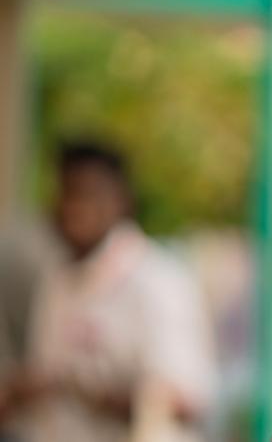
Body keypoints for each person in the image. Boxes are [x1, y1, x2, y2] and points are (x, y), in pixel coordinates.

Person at [0, 143, 216, 442]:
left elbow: (187, 402)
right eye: (68, 193)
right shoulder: (57, 279)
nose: (75, 207)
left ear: (121, 201)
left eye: (89, 194)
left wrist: (84, 390)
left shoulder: (156, 280)